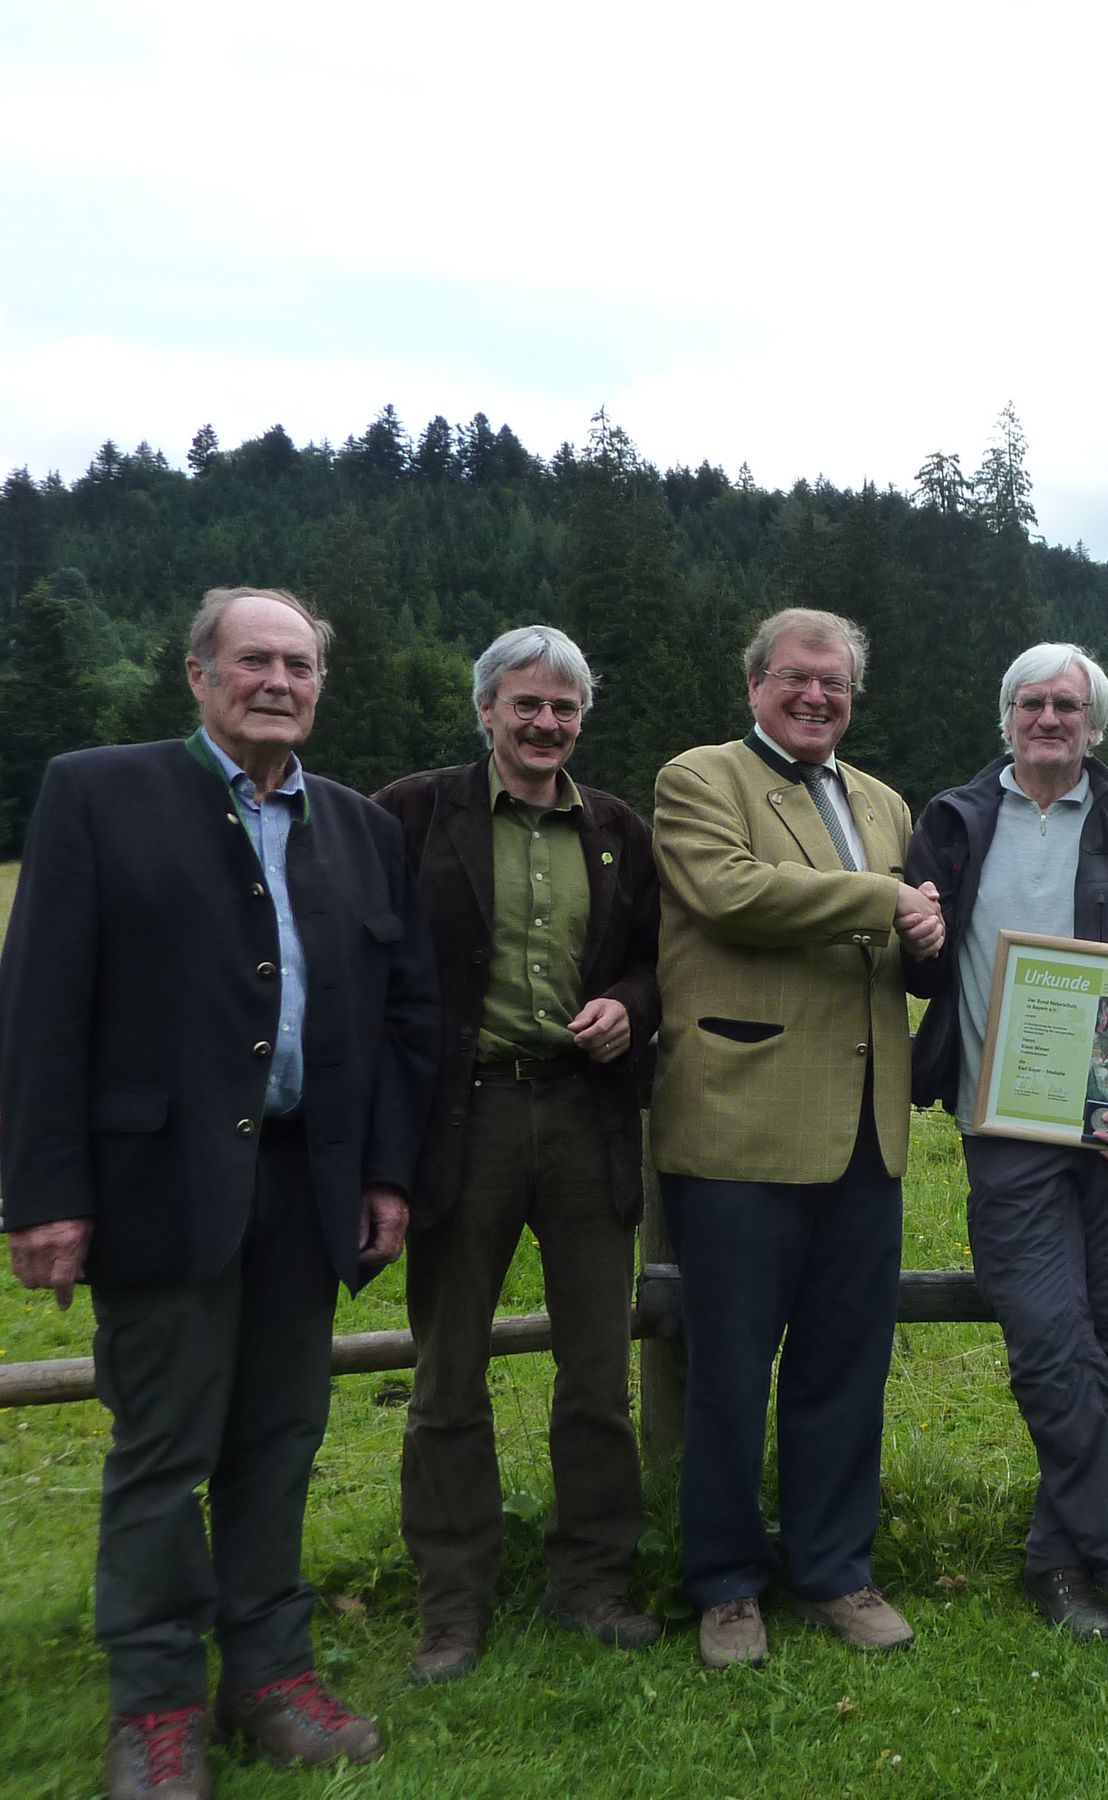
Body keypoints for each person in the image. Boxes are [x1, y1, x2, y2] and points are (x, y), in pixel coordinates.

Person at [0, 586, 438, 1799]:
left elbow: (403, 1020)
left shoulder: (358, 826)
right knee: (165, 1447)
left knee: (281, 1438)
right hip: (159, 1184)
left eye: (298, 664)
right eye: (253, 660)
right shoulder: (100, 792)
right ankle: (154, 1706)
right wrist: (42, 1193)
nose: (277, 681)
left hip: (306, 1186)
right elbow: (38, 1008)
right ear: (196, 675)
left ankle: (269, 1674)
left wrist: (388, 1173)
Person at [906, 643, 1108, 1652]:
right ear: (1006, 717)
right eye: (1032, 703)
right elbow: (915, 972)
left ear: (1095, 725)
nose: (1050, 719)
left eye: (1068, 706)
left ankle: (1057, 1559)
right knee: (1048, 1341)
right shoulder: (951, 825)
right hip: (1003, 1130)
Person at [650, 608, 945, 1667]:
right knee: (728, 1367)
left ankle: (835, 1570)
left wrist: (930, 931)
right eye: (796, 679)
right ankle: (727, 1585)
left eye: (835, 684)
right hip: (741, 1121)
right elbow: (731, 894)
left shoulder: (883, 799)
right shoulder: (701, 779)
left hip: (865, 1130)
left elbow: (897, 941)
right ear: (754, 684)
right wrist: (888, 901)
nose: (816, 697)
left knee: (844, 1365)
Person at [372, 626, 662, 1682]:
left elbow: (654, 964)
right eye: (526, 705)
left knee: (597, 1370)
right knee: (448, 1372)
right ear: (486, 709)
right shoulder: (410, 812)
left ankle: (593, 1581)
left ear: (585, 717)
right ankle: (452, 1602)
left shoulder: (621, 831)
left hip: (587, 1120)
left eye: (565, 708)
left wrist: (631, 1008)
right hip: (467, 1118)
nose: (546, 724)